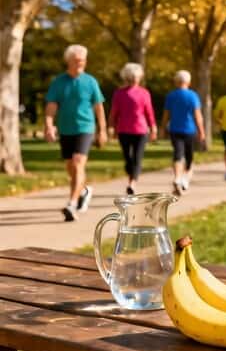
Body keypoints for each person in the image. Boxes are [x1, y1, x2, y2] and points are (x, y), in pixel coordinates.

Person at [44, 44, 107, 222]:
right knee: (70, 166)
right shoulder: (59, 82)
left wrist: (102, 130)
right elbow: (51, 106)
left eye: (83, 61)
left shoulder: (91, 82)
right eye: (77, 61)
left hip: (85, 128)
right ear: (69, 61)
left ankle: (72, 204)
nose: (81, 63)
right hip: (65, 129)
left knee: (78, 162)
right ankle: (84, 190)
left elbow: (99, 107)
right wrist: (49, 125)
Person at [109, 62, 157, 195]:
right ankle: (131, 176)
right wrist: (111, 126)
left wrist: (153, 127)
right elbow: (114, 111)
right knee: (127, 159)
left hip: (140, 131)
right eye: (132, 76)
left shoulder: (144, 93)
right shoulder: (119, 93)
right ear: (127, 77)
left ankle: (132, 183)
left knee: (137, 157)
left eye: (137, 76)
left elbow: (149, 112)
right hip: (123, 130)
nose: (135, 79)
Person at [161, 70, 205, 196]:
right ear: (188, 82)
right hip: (189, 130)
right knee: (189, 158)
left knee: (177, 155)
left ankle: (177, 178)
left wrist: (162, 129)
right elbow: (198, 116)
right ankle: (184, 179)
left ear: (176, 81)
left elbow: (166, 115)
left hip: (174, 130)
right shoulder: (192, 96)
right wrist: (201, 132)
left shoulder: (171, 96)